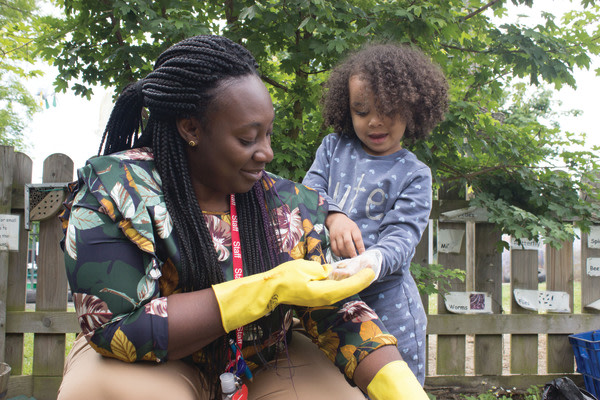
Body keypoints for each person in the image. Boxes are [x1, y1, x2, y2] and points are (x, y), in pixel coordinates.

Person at [56, 35, 428, 400]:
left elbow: (337, 311)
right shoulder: (117, 193)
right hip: (147, 362)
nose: (266, 153)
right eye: (248, 139)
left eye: (267, 134)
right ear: (191, 128)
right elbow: (116, 327)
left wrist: (399, 387)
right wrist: (266, 288)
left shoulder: (288, 205)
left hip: (261, 359)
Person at [303, 42, 449, 385]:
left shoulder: (414, 173)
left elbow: (401, 239)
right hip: (334, 302)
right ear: (346, 109)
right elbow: (307, 195)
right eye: (362, 110)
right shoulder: (332, 148)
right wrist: (334, 215)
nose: (375, 121)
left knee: (393, 388)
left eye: (388, 109)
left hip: (390, 310)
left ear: (413, 108)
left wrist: (370, 262)